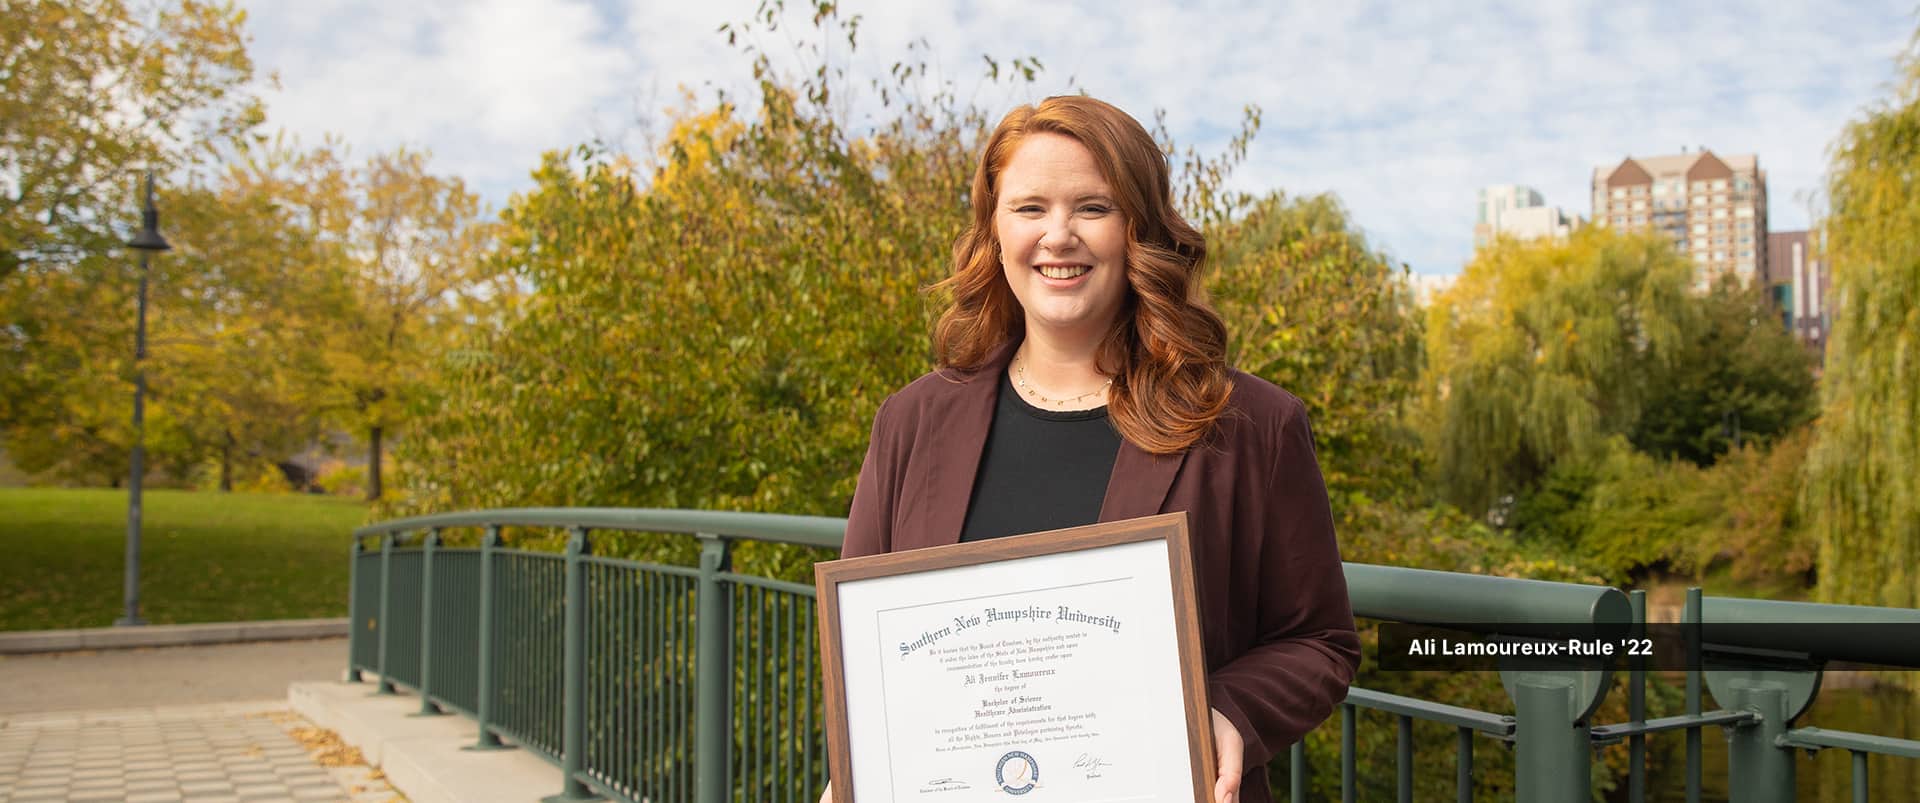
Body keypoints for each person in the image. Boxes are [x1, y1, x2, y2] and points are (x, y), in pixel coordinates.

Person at [833, 95, 1359, 803]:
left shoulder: (1250, 425)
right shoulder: (910, 423)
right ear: (993, 231)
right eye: (1029, 208)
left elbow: (1320, 639)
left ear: (1140, 229)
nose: (1058, 235)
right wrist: (864, 764)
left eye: (1092, 207)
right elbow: (865, 661)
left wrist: (1229, 710)